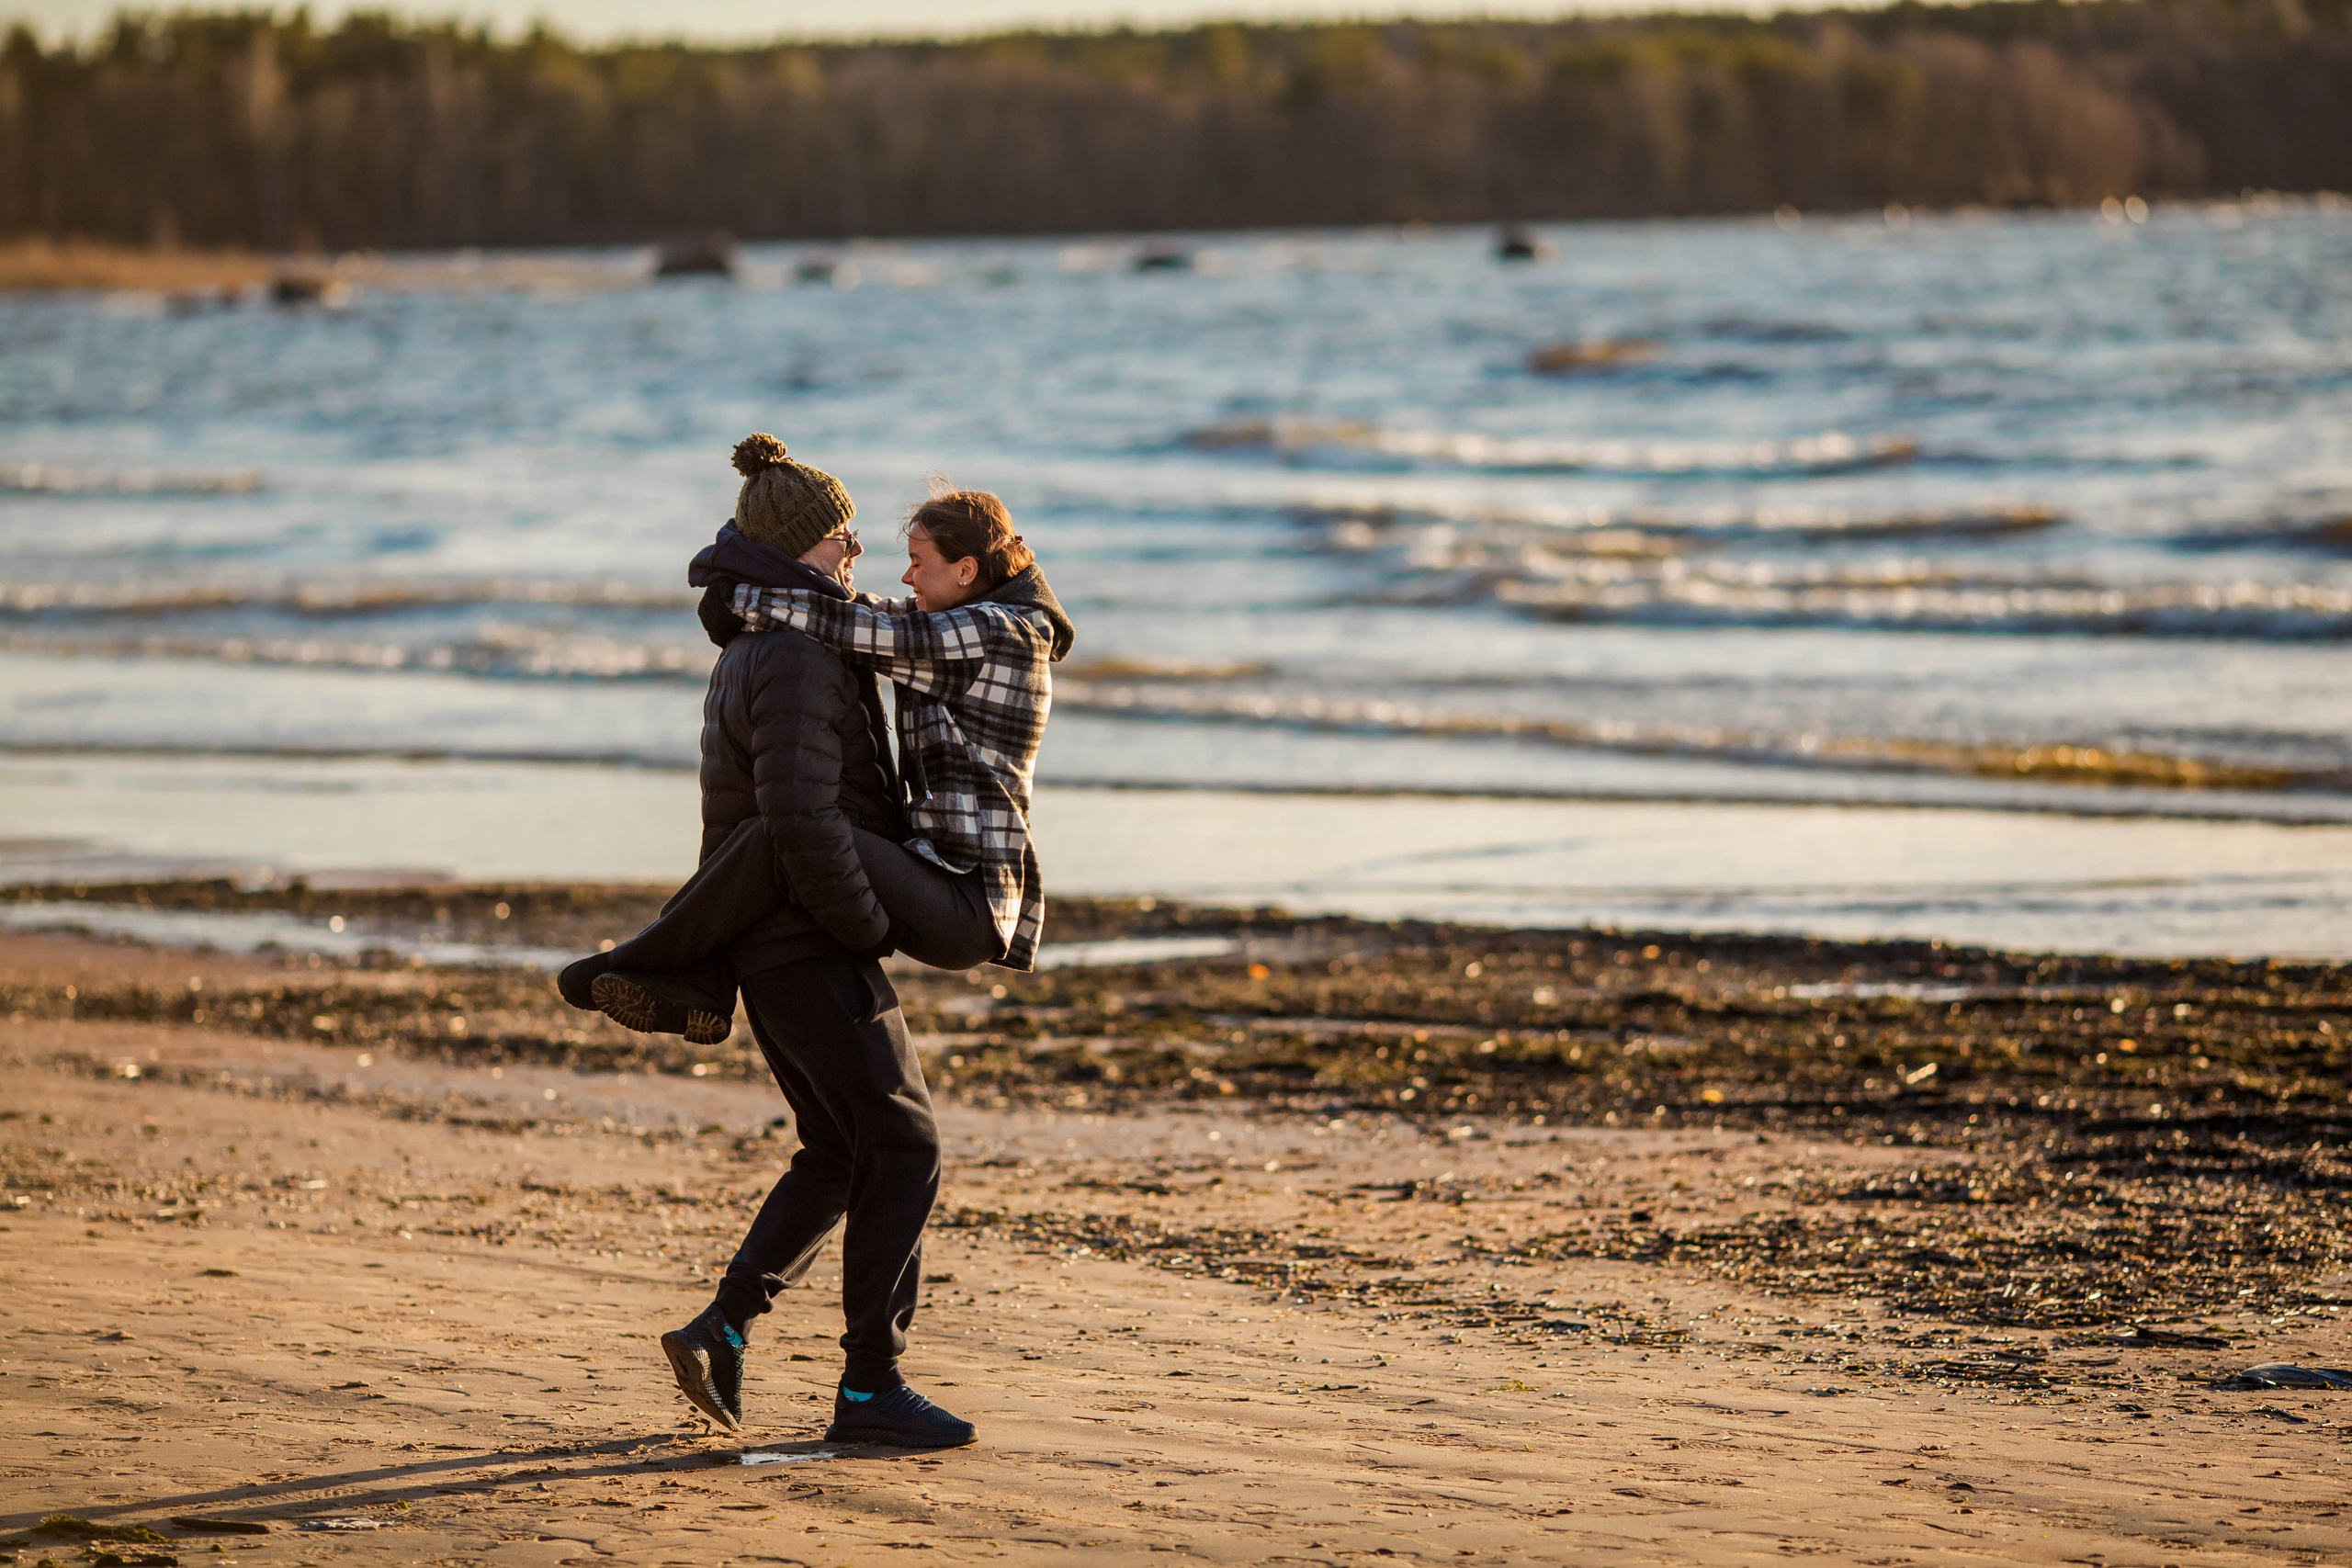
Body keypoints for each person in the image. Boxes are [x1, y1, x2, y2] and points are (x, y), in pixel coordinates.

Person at [555, 435, 982, 1449]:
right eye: (846, 539)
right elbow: (798, 813)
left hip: (777, 936)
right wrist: (864, 923)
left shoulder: (758, 638)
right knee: (905, 1145)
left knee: (842, 1151)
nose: (856, 559)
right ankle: (871, 1389)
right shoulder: (790, 652)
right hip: (806, 932)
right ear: (806, 545)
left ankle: (724, 1331)